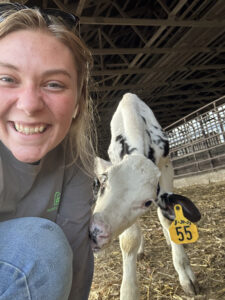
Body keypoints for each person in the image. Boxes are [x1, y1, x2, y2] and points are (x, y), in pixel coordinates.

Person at [0, 2, 97, 300]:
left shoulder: (76, 159)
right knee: (38, 247)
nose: (30, 105)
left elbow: (77, 254)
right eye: (6, 79)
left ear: (78, 99)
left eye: (54, 84)